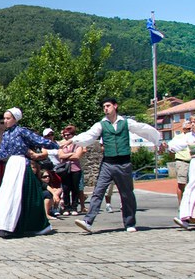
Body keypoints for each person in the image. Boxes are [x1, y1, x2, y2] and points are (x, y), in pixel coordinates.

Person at [61, 97, 161, 233]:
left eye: (108, 106)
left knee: (127, 194)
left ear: (115, 106)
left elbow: (144, 129)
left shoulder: (126, 122)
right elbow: (89, 135)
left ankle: (130, 223)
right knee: (98, 191)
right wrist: (72, 140)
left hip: (124, 162)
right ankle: (88, 221)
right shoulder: (101, 125)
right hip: (108, 163)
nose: (105, 109)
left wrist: (158, 141)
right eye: (104, 107)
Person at [0, 108, 58, 237]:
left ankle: (23, 226)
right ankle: (5, 225)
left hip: (21, 164)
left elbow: (38, 140)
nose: (5, 121)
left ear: (15, 119)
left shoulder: (22, 131)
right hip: (11, 165)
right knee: (7, 195)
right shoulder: (6, 134)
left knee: (21, 196)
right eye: (4, 118)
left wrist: (57, 146)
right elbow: (4, 152)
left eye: (8, 118)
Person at [168, 114, 195, 229]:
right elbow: (175, 145)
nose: (193, 124)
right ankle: (185, 217)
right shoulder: (188, 137)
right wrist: (167, 147)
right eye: (192, 122)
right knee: (191, 188)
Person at [57, 125, 84, 216]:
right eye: (64, 135)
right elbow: (60, 155)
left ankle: (74, 207)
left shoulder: (78, 144)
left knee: (75, 188)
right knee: (66, 188)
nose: (66, 137)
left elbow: (77, 156)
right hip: (65, 169)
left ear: (72, 135)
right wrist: (72, 154)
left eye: (68, 135)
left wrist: (67, 156)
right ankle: (66, 207)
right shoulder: (61, 145)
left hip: (75, 169)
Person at [174, 120, 193, 206]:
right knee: (181, 184)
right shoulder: (178, 138)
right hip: (182, 162)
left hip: (194, 162)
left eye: (191, 128)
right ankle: (181, 205)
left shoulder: (194, 137)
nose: (190, 130)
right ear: (184, 129)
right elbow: (171, 149)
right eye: (188, 129)